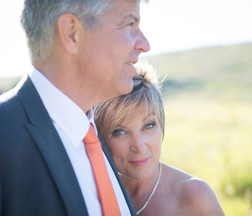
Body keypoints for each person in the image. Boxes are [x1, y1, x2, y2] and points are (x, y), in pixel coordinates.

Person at [0, 0, 150, 215]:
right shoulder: (4, 137)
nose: (144, 44)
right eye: (130, 24)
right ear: (71, 33)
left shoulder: (98, 137)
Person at [94, 63, 225, 216]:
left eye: (148, 125)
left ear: (161, 124)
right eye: (120, 131)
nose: (139, 146)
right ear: (101, 137)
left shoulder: (196, 196)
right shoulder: (95, 192)